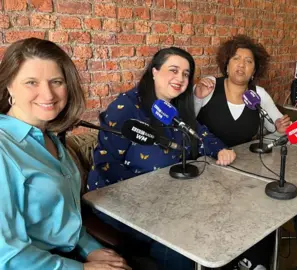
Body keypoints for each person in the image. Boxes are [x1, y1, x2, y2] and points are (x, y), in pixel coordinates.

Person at [87, 47, 236, 270]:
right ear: (154, 72)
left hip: (169, 199)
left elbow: (201, 134)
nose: (180, 78)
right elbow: (106, 164)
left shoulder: (175, 109)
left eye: (186, 74)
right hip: (118, 202)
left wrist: (221, 149)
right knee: (179, 241)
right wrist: (150, 199)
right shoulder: (126, 106)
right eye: (173, 70)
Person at [0, 38, 130, 269]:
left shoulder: (50, 137)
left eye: (56, 81)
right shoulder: (4, 149)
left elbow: (62, 219)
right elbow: (7, 255)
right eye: (31, 82)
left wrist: (90, 249)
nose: (48, 94)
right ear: (9, 85)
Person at [194, 35, 291, 147]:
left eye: (248, 61)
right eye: (236, 58)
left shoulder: (259, 94)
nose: (241, 64)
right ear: (227, 66)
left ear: (254, 71)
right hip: (204, 160)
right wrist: (197, 98)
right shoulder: (209, 86)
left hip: (244, 161)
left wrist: (279, 130)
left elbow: (283, 133)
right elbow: (185, 123)